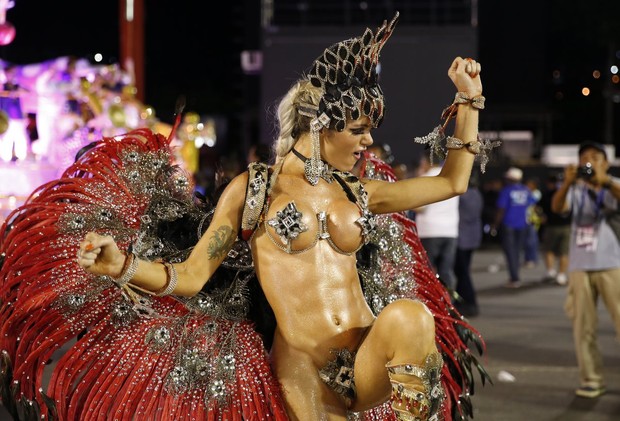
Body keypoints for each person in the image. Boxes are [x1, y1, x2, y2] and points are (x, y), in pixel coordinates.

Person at [1, 14, 492, 420]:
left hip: (364, 358)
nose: (368, 142)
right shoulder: (255, 190)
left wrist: (467, 100)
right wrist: (120, 265)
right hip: (303, 368)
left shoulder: (359, 192)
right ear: (320, 123)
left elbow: (452, 182)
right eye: (359, 129)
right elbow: (191, 277)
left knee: (411, 316)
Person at [551, 141, 620, 399]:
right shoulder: (575, 188)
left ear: (606, 162)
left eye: (595, 157)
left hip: (613, 264)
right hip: (580, 266)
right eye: (584, 157)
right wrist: (568, 182)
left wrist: (606, 181)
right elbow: (557, 208)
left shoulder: (613, 185)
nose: (589, 161)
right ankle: (591, 378)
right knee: (583, 327)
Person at [415, 159, 460, 291]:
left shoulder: (425, 178)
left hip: (429, 230)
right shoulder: (451, 177)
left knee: (427, 270)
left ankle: (430, 305)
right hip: (450, 231)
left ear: (426, 162)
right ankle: (449, 304)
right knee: (446, 271)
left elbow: (420, 207)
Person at [493, 167, 538, 288]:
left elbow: (501, 209)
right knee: (517, 251)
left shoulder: (506, 190)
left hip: (509, 224)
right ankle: (515, 276)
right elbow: (532, 205)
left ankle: (514, 278)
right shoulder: (526, 190)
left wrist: (495, 225)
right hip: (522, 224)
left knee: (510, 252)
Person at [454, 174, 484, 317]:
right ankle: (461, 300)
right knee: (463, 271)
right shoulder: (477, 195)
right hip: (473, 237)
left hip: (462, 237)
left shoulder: (462, 196)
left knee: (462, 272)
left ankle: (469, 302)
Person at [539, 173, 571, 285]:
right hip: (565, 226)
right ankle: (559, 274)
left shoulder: (550, 194)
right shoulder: (569, 192)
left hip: (554, 226)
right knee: (563, 251)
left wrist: (542, 216)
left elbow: (539, 208)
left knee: (550, 250)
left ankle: (552, 271)